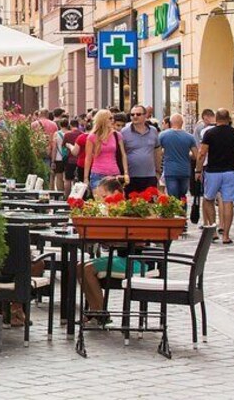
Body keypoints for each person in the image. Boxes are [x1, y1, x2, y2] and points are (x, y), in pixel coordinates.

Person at [76, 178, 142, 325]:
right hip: (122, 258)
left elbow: (136, 239)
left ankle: (100, 312)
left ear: (117, 193)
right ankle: (95, 311)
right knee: (80, 266)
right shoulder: (114, 211)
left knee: (87, 269)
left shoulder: (127, 210)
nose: (103, 201)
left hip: (135, 261)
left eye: (105, 197)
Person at [196, 109, 234, 244]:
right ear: (229, 118)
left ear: (216, 118)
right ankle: (226, 235)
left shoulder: (209, 133)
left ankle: (213, 230)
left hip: (213, 171)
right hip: (230, 171)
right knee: (228, 202)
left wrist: (198, 170)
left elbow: (202, 153)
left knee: (208, 199)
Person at [84, 109, 129, 192]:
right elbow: (88, 158)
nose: (113, 120)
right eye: (110, 118)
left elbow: (123, 154)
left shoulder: (116, 135)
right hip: (97, 174)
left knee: (114, 203)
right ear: (103, 120)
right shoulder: (92, 137)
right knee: (99, 203)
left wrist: (126, 173)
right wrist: (86, 178)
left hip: (114, 174)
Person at [122, 105, 162, 195]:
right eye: (132, 115)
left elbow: (157, 151)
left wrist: (158, 171)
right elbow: (122, 153)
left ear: (145, 116)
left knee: (150, 204)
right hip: (131, 176)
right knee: (132, 205)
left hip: (150, 175)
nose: (135, 116)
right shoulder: (124, 132)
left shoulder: (153, 131)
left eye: (138, 114)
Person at [159, 114, 198, 199]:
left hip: (170, 170)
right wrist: (187, 155)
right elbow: (195, 155)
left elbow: (158, 153)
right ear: (182, 123)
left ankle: (174, 212)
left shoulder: (163, 135)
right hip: (185, 171)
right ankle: (183, 211)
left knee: (173, 198)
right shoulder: (190, 137)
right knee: (182, 196)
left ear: (170, 122)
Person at [62, 119, 82, 197]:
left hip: (70, 160)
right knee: (77, 181)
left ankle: (67, 197)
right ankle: (76, 197)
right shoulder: (82, 134)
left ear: (70, 126)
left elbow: (63, 146)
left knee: (67, 180)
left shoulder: (67, 135)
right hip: (79, 160)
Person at [52, 118, 71, 192]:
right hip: (68, 158)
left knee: (59, 177)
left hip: (58, 158)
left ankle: (60, 194)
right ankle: (67, 194)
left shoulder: (56, 134)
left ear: (60, 125)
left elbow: (54, 148)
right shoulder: (70, 133)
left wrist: (53, 161)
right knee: (67, 178)